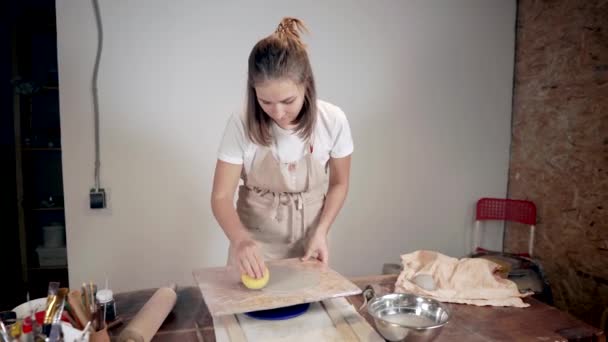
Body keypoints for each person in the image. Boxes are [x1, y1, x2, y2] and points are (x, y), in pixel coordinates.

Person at [211, 17, 353, 280]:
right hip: (253, 246)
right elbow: (220, 197)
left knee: (308, 315)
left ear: (306, 85)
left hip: (310, 240)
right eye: (265, 101)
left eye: (288, 100)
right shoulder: (240, 123)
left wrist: (322, 231)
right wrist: (240, 240)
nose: (277, 112)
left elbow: (339, 184)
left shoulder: (332, 121)